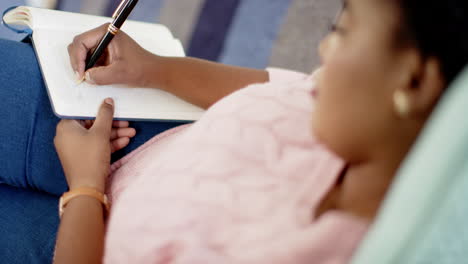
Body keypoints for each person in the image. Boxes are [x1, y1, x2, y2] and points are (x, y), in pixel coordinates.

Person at [1, 0, 467, 263]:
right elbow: (282, 87)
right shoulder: (347, 111)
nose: (323, 48)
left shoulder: (322, 251)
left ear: (415, 81)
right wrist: (154, 69)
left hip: (79, 242)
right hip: (140, 134)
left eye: (343, 31)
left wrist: (85, 190)